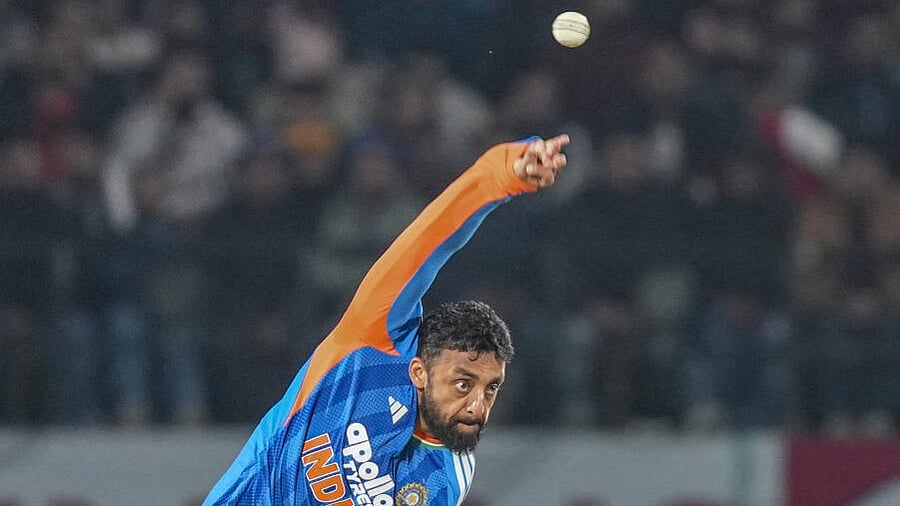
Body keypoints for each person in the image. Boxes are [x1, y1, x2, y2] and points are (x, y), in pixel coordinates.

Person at [203, 134, 570, 505]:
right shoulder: (373, 337)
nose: (478, 406)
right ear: (420, 372)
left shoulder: (446, 477)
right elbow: (430, 239)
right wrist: (504, 173)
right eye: (463, 384)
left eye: (491, 388)